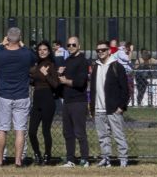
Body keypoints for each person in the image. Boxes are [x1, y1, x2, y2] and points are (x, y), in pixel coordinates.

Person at [0, 26, 37, 167]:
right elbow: (35, 57)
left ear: (7, 38)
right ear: (19, 38)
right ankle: (18, 161)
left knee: (2, 129)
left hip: (4, 95)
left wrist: (2, 45)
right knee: (20, 130)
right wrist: (23, 45)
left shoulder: (0, 53)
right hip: (21, 95)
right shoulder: (26, 53)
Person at [94, 40, 131, 168]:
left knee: (118, 135)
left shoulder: (117, 66)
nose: (100, 52)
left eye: (103, 50)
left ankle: (123, 159)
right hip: (98, 108)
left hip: (113, 108)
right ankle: (106, 158)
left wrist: (121, 106)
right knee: (103, 136)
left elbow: (125, 89)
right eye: (98, 50)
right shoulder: (96, 66)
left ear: (109, 51)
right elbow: (93, 88)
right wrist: (91, 105)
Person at [29, 39, 61, 165]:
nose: (42, 52)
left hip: (48, 100)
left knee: (45, 131)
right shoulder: (36, 65)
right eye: (40, 50)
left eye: (45, 50)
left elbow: (56, 84)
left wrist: (46, 74)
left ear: (49, 51)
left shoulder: (51, 65)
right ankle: (37, 155)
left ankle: (47, 155)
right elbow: (33, 80)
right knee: (31, 131)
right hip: (37, 100)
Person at [61, 36, 92, 167]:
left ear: (79, 46)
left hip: (78, 101)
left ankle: (85, 158)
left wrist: (65, 81)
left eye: (74, 45)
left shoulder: (83, 61)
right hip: (67, 100)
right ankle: (70, 159)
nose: (71, 47)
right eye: (68, 45)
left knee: (79, 131)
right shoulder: (67, 60)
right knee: (68, 132)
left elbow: (80, 82)